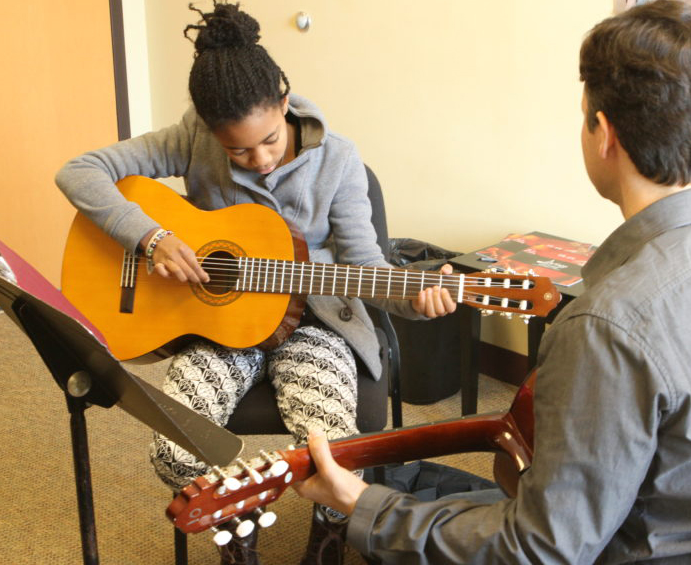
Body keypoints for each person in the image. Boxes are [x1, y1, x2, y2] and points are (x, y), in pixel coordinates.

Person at [293, 1, 691, 562]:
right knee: (411, 485)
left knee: (382, 516)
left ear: (605, 135)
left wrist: (359, 504)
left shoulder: (607, 326)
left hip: (632, 549)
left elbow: (541, 552)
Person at [54, 3, 455, 564]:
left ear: (285, 106)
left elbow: (368, 265)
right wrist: (149, 237)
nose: (260, 161)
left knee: (334, 455)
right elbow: (79, 172)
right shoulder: (193, 136)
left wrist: (415, 299)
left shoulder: (337, 161)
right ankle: (237, 535)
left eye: (269, 139)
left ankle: (325, 550)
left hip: (313, 324)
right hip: (219, 331)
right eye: (237, 151)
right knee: (173, 451)